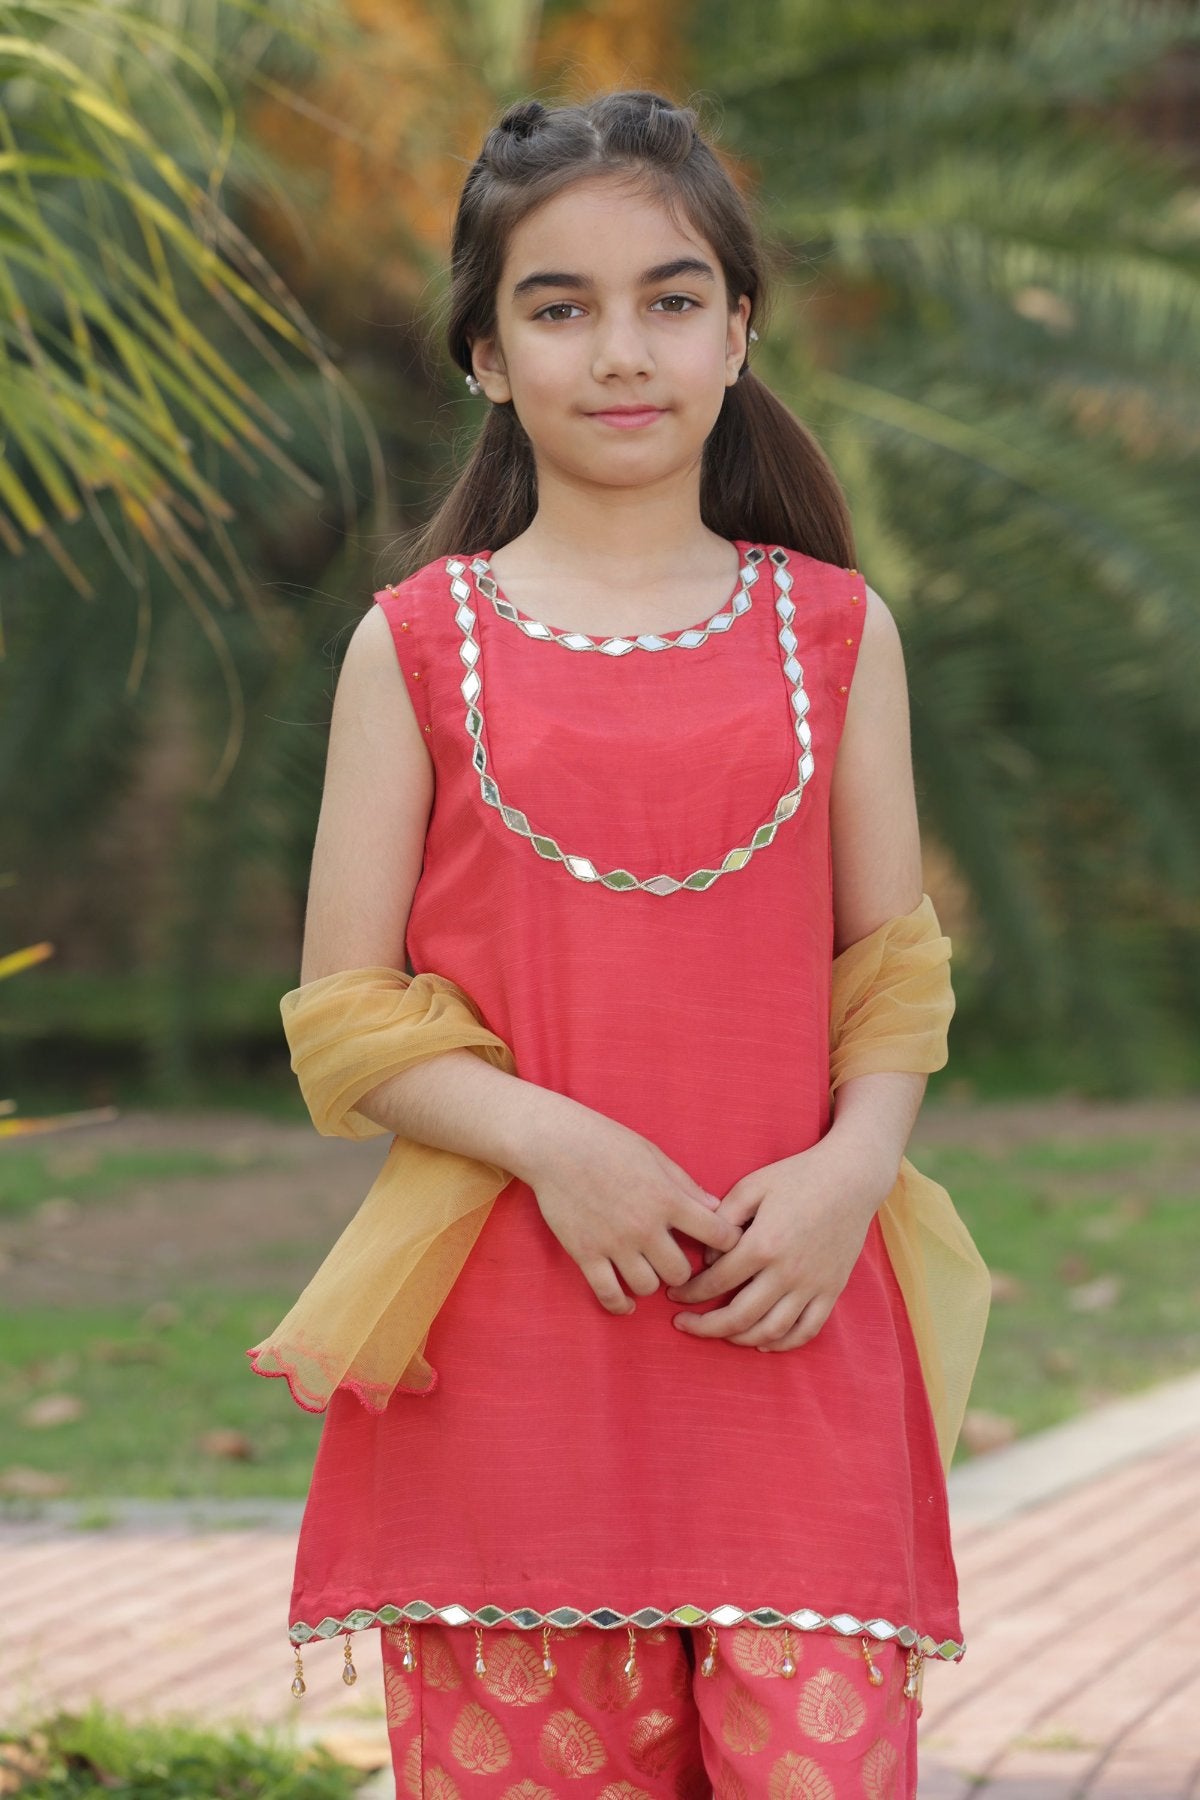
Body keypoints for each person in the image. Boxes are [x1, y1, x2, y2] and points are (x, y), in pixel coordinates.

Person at [281, 87, 965, 1800]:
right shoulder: (414, 646)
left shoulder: (835, 630)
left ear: (738, 330)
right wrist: (556, 1144)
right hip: (507, 1366)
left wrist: (853, 1172)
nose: (620, 352)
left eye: (670, 299)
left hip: (789, 1317)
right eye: (558, 307)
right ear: (486, 355)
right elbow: (345, 1016)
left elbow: (891, 975)